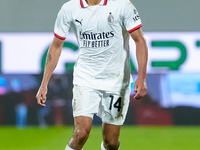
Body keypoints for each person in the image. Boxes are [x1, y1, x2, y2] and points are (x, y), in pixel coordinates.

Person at [36, 0, 148, 149]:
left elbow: (139, 40)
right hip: (85, 78)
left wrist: (142, 77)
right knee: (81, 133)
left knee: (111, 142)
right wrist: (44, 84)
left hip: (117, 81)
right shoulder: (69, 8)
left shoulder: (122, 5)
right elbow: (56, 45)